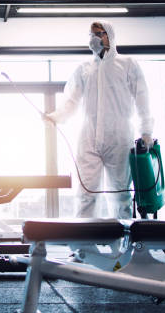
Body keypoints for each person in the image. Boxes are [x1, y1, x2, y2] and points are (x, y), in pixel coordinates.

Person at [44, 20, 154, 219]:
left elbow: (142, 98)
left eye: (97, 34)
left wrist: (146, 132)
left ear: (108, 36)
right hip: (89, 138)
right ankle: (84, 245)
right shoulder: (84, 68)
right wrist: (56, 116)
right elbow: (72, 100)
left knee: (121, 195)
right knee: (86, 194)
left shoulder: (127, 65)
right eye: (90, 35)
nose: (93, 39)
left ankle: (124, 244)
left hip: (119, 137)